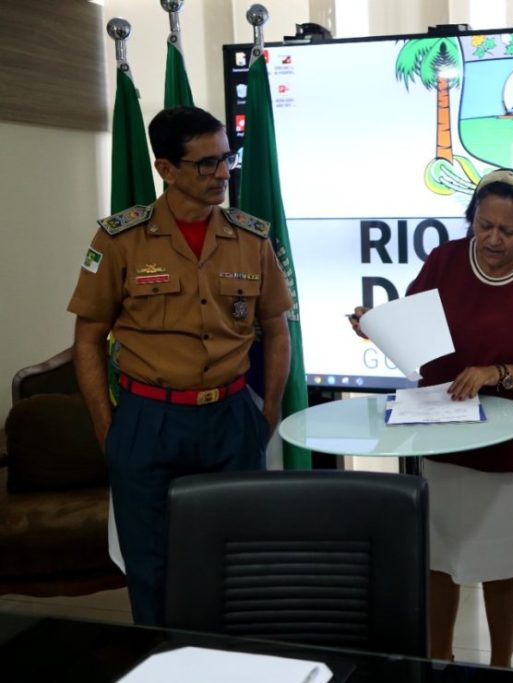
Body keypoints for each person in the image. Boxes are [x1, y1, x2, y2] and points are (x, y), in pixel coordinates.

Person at [68, 106, 293, 625]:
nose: (222, 174)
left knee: (239, 561)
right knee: (152, 568)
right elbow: (87, 337)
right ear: (165, 169)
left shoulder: (251, 237)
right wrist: (108, 428)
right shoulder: (120, 240)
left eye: (226, 159)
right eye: (206, 164)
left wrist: (268, 412)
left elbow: (277, 330)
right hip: (149, 421)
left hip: (232, 417)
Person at [351, 168, 513, 667]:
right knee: (439, 563)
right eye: (483, 225)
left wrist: (498, 374)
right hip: (444, 440)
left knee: (502, 569)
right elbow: (413, 326)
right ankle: (441, 661)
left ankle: (501, 666)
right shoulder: (445, 260)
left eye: (507, 230)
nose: (492, 239)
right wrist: (375, 324)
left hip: (512, 452)